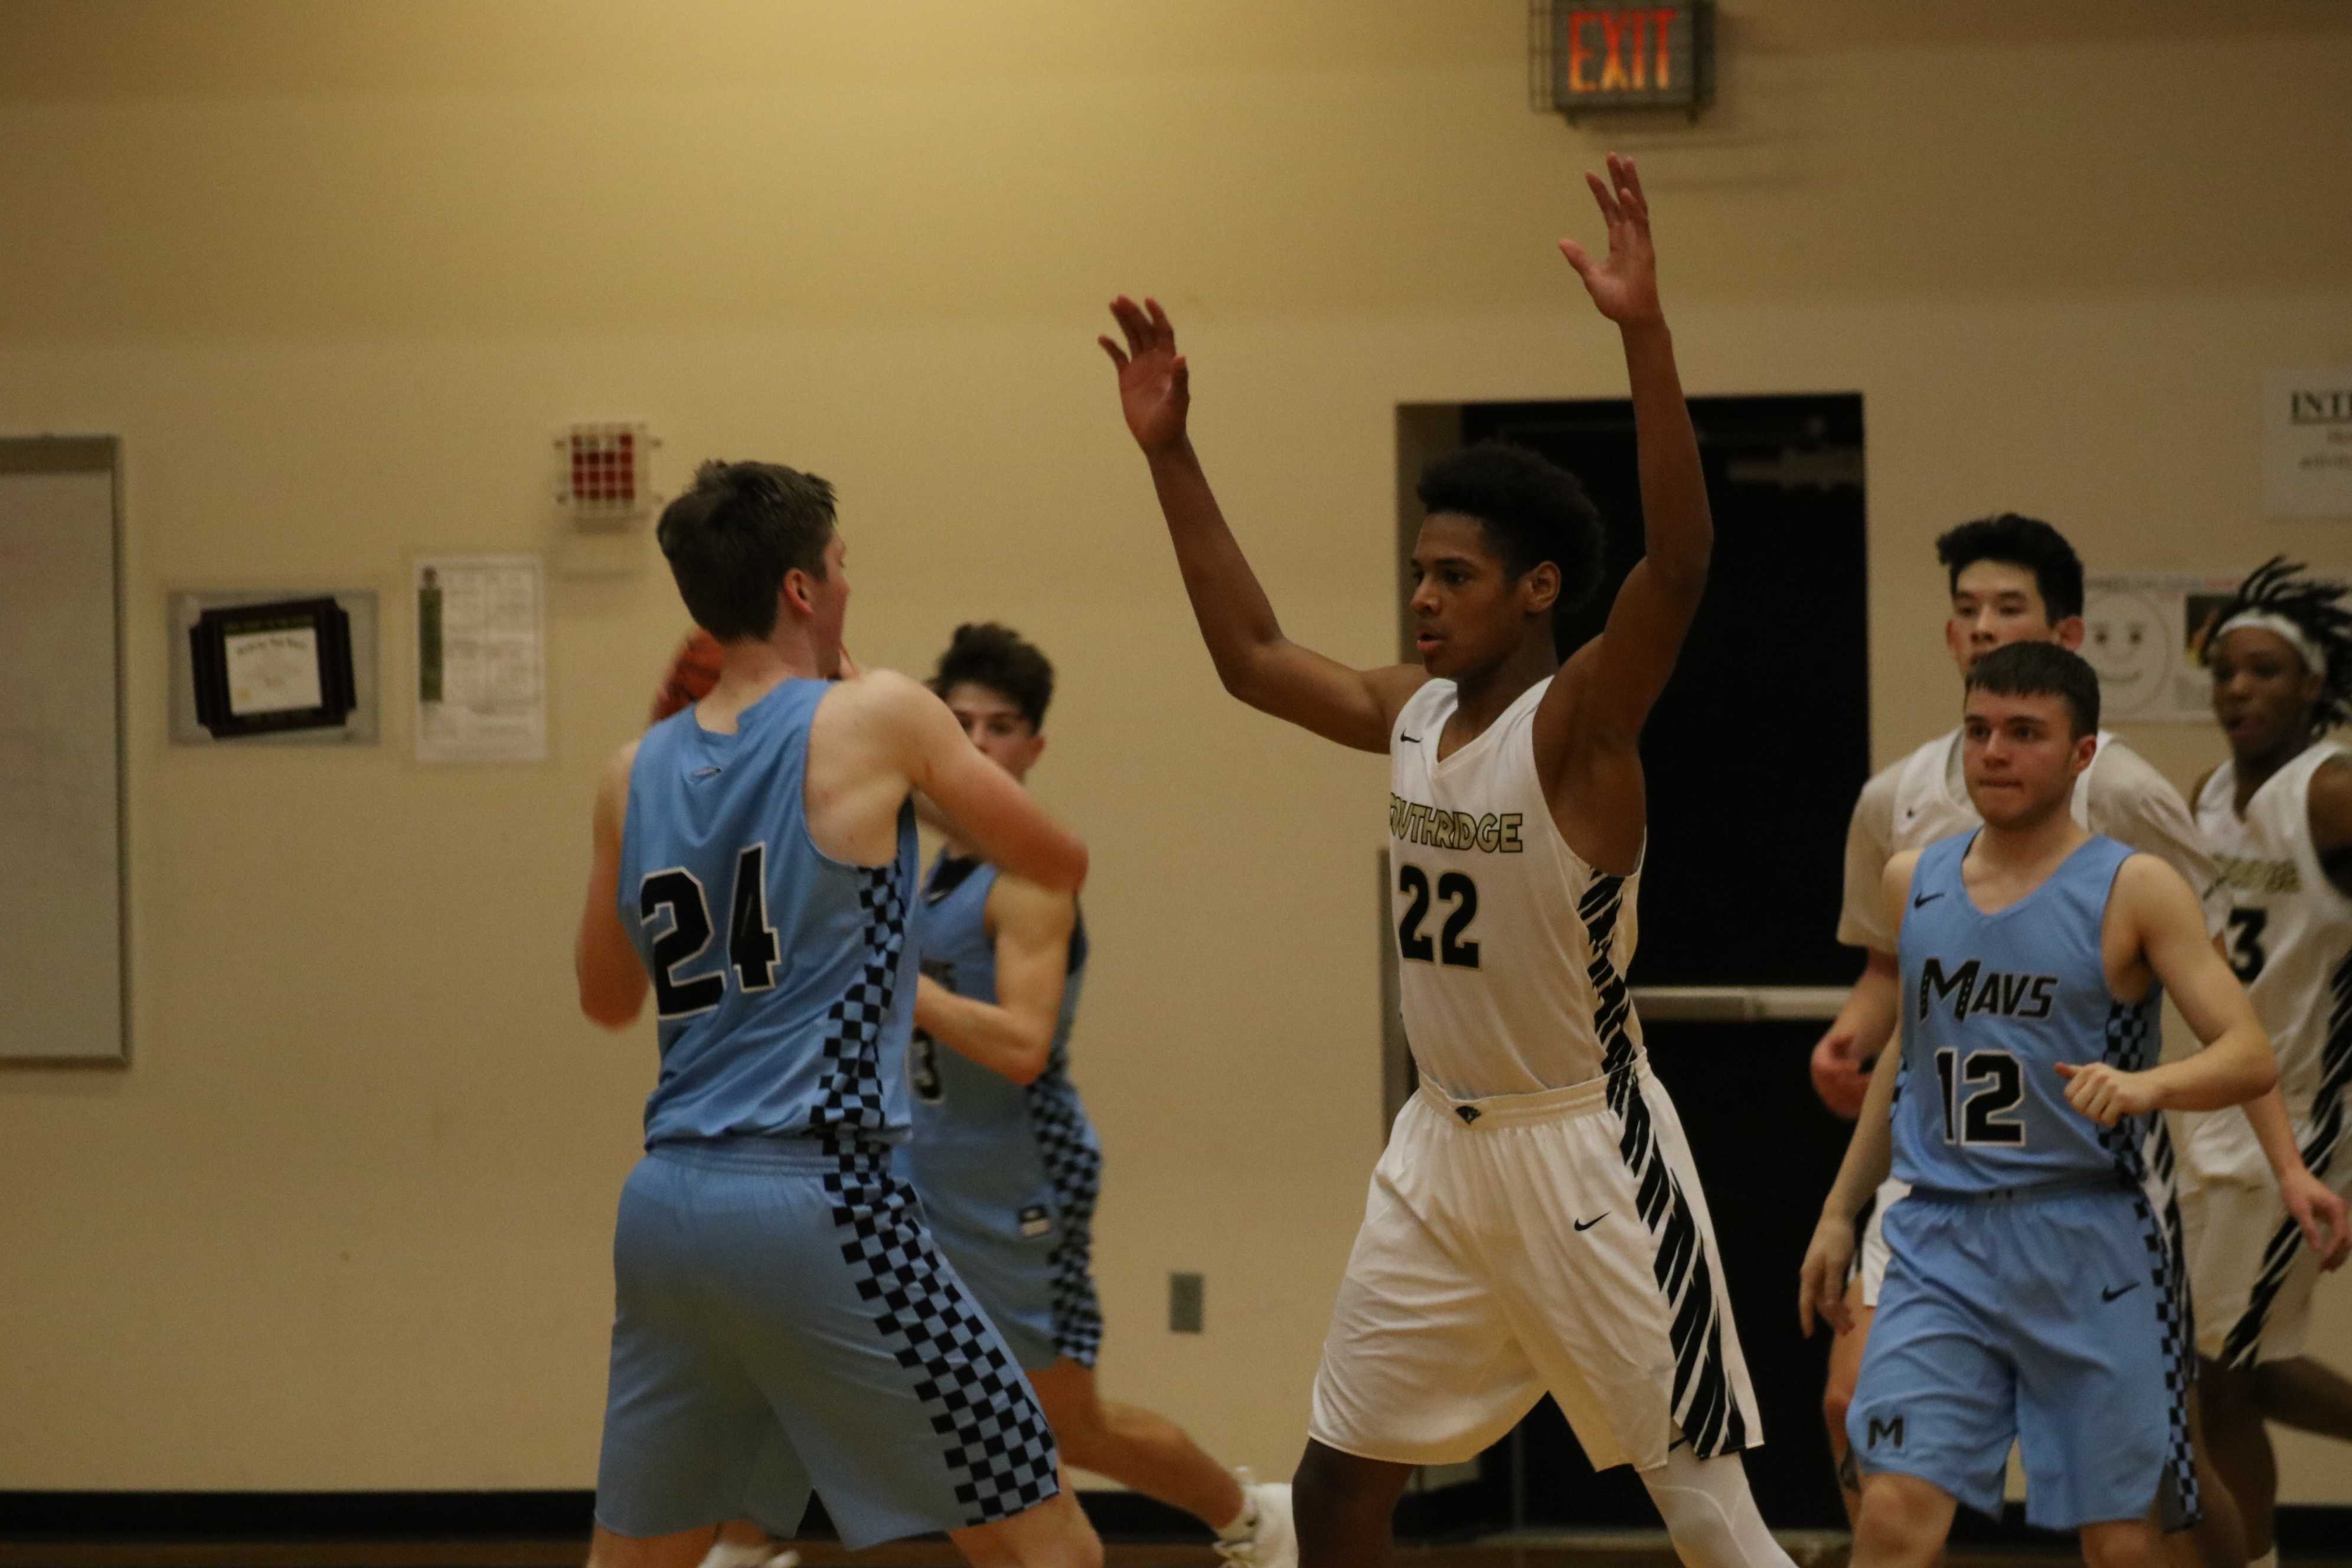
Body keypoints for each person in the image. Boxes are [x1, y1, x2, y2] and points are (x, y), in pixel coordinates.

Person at [1101, 155, 1794, 1568]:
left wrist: (1642, 334)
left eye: (1455, 575)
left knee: (1711, 1520)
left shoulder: (1580, 728)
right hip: (1440, 1148)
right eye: (1417, 571)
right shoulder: (1410, 713)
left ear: (1537, 589)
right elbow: (1250, 659)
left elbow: (1683, 561)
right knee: (1340, 1483)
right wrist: (1171, 452)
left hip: (1586, 1153)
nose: (1422, 597)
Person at [571, 460, 1100, 1568]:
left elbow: (607, 1001)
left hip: (666, 1212)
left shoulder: (631, 770)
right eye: (843, 566)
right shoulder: (881, 716)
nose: (850, 584)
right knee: (1049, 1545)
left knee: (640, 1560)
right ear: (805, 591)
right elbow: (1055, 857)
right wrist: (890, 719)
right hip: (825, 1194)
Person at [1799, 641, 2278, 1568]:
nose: (1995, 753)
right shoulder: (1916, 879)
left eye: (2025, 734)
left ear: (2082, 753)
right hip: (1940, 1240)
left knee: (2126, 1544)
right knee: (1893, 1512)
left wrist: (2148, 1086)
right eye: (1979, 731)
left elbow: (2248, 1052)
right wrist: (1836, 1210)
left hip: (2088, 1241)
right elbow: (1909, 1055)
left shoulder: (2134, 886)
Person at [904, 621, 1294, 1564]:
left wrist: (894, 987)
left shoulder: (1028, 880)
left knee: (1064, 1428)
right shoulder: (928, 869)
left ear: (1033, 747)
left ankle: (1255, 1522)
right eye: (956, 725)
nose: (977, 744)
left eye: (1000, 727)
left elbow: (1024, 1048)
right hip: (930, 1177)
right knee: (944, 1430)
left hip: (1021, 1181)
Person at [2182, 558, 2352, 1568]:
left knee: (2215, 1379)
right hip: (2216, 1117)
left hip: (2300, 1125)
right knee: (2231, 1371)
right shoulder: (2209, 792)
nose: (2237, 690)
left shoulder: (2329, 791)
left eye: (2262, 673)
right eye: (2225, 673)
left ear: (2314, 687)